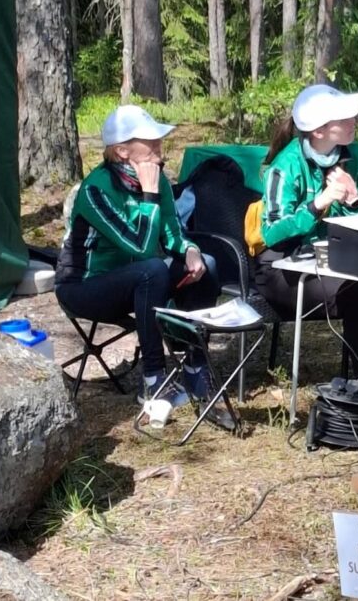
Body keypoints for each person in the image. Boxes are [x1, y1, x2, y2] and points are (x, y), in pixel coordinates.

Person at [55, 105, 234, 431]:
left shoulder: (157, 180)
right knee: (152, 269)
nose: (159, 147)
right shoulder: (95, 189)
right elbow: (138, 246)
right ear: (122, 151)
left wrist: (190, 251)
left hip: (138, 283)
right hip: (83, 287)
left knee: (206, 265)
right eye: (150, 142)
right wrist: (149, 194)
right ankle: (153, 380)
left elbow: (172, 234)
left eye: (159, 140)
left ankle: (196, 367)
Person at [252, 84, 358, 378]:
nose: (354, 121)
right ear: (318, 131)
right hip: (283, 269)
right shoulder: (285, 166)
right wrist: (318, 204)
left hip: (338, 259)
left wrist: (355, 200)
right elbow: (272, 233)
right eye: (344, 119)